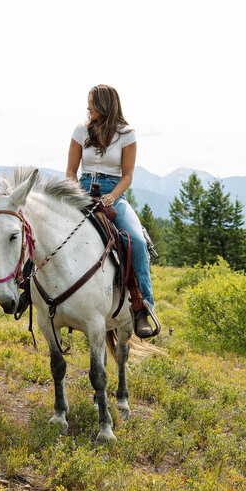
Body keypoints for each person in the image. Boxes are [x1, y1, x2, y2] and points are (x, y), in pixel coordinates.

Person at [66, 84, 158, 338]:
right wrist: (76, 194)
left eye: (92, 103)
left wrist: (112, 196)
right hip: (81, 188)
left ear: (105, 105)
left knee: (136, 241)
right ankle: (28, 290)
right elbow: (71, 172)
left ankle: (143, 308)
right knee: (47, 225)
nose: (87, 108)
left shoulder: (127, 134)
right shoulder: (80, 131)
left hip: (113, 192)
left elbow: (127, 176)